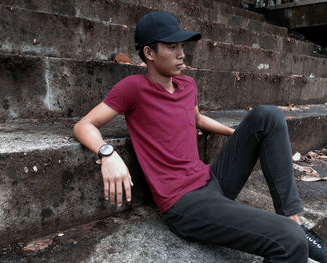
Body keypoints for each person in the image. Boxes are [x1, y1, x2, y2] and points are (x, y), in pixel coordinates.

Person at [73, 10, 327, 263]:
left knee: (268, 116)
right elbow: (84, 125)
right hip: (184, 204)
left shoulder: (187, 85)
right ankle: (295, 235)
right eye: (171, 47)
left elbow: (196, 120)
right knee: (288, 240)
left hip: (211, 180)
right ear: (149, 53)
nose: (181, 54)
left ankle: (292, 218)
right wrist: (108, 153)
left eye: (182, 46)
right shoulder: (133, 88)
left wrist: (241, 135)